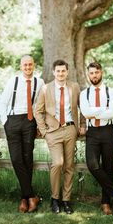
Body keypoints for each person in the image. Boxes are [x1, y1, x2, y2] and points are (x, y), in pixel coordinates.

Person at [35, 59, 86, 214]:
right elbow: (38, 111)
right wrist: (43, 130)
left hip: (70, 129)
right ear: (53, 72)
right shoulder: (45, 89)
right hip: (53, 132)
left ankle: (66, 200)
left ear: (67, 72)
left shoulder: (74, 87)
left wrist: (82, 125)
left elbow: (81, 108)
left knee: (69, 166)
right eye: (58, 71)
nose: (61, 73)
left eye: (63, 71)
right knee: (58, 163)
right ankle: (55, 198)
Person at [0, 55, 44, 213]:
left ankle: (24, 199)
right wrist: (5, 122)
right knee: (16, 159)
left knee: (27, 159)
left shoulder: (40, 82)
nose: (28, 67)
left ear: (34, 65)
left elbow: (40, 105)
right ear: (21, 66)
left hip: (30, 121)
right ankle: (31, 195)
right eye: (25, 65)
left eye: (30, 64)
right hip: (13, 121)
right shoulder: (14, 81)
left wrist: (39, 124)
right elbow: (2, 102)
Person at [80, 62, 113, 216]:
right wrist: (103, 110)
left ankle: (106, 202)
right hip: (92, 132)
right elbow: (85, 113)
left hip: (107, 132)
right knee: (92, 165)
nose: (94, 75)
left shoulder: (111, 92)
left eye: (97, 72)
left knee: (108, 167)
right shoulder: (84, 93)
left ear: (102, 73)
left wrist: (95, 112)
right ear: (88, 75)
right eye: (91, 73)